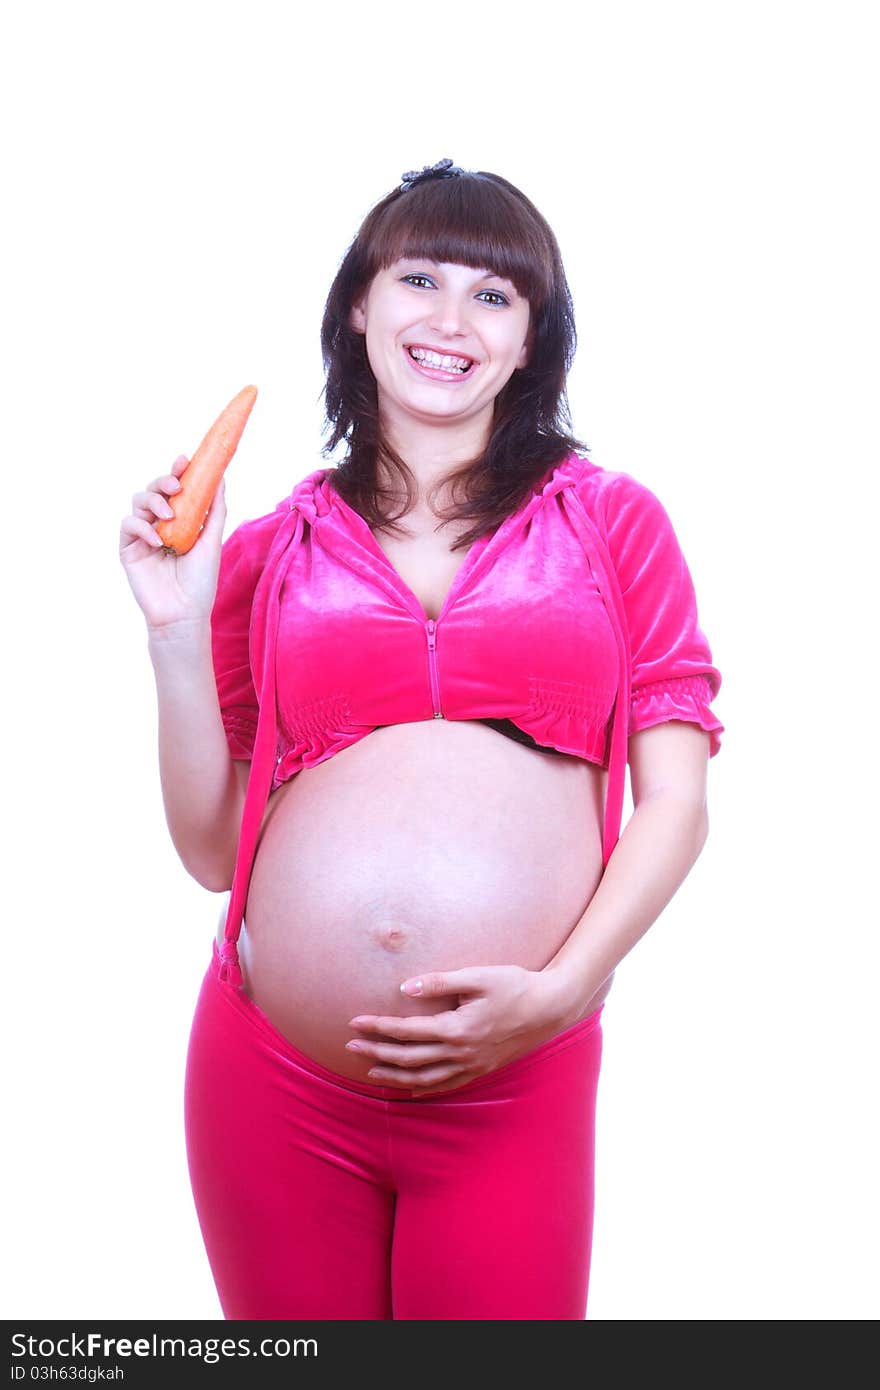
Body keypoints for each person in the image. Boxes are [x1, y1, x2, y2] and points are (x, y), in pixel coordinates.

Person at [119, 158, 724, 1321]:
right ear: (360, 305)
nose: (451, 320)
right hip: (270, 1081)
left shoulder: (611, 522)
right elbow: (210, 849)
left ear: (531, 339)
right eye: (420, 279)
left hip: (517, 1075)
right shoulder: (271, 547)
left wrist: (561, 992)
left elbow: (676, 803)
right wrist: (175, 626)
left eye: (494, 296)